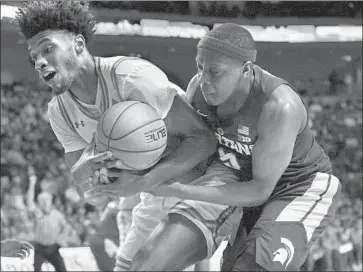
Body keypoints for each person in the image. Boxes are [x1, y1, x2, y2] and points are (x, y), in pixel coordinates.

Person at [15, 2, 242, 271]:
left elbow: (204, 140)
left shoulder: (130, 76)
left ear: (78, 44)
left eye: (48, 49)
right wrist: (82, 175)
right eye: (34, 57)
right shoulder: (59, 112)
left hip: (207, 187)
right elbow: (93, 196)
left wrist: (142, 180)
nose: (39, 61)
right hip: (155, 195)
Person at [145, 23, 342, 271]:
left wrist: (179, 189)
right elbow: (193, 153)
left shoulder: (279, 107)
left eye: (215, 72)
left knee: (254, 266)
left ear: (246, 69)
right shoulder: (198, 92)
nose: (204, 80)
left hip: (297, 187)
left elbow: (260, 190)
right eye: (200, 66)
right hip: (242, 181)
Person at [26, 169, 68, 271]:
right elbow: (30, 203)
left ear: (50, 201)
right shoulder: (38, 213)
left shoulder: (57, 214)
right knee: (36, 269)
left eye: (47, 200)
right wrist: (32, 184)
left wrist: (61, 239)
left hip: (53, 247)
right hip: (40, 247)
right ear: (40, 202)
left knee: (62, 269)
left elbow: (66, 226)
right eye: (42, 200)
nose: (45, 202)